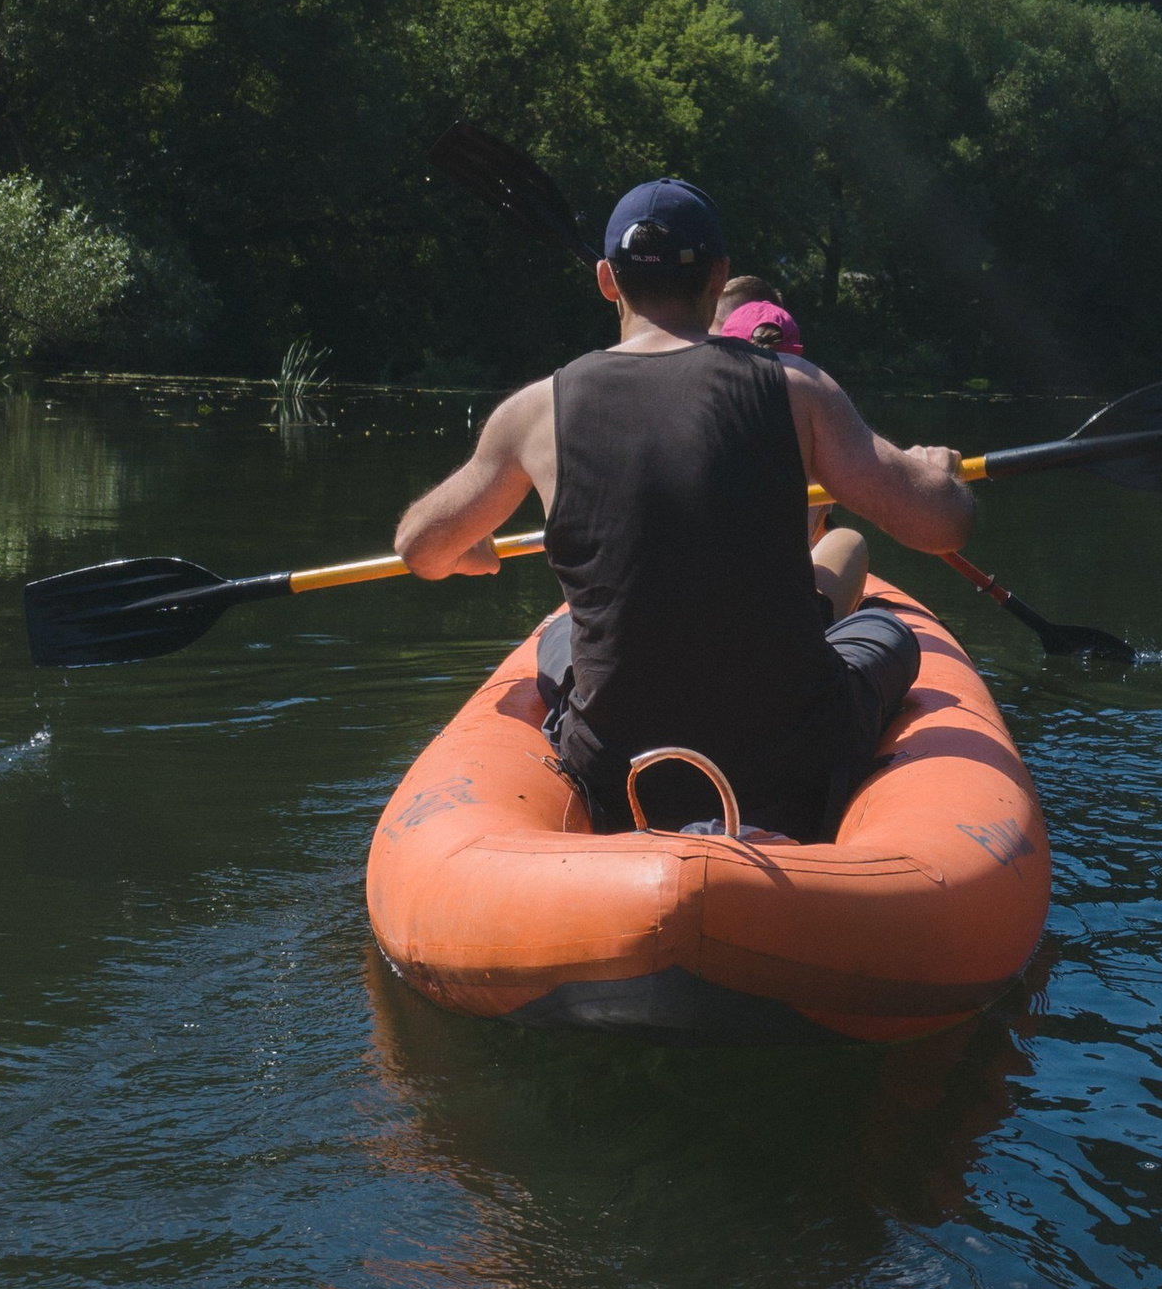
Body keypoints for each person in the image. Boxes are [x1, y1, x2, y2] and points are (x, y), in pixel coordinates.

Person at [394, 178, 972, 836]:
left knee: (558, 636)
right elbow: (941, 525)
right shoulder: (798, 390)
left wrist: (467, 551)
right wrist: (937, 474)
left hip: (620, 769)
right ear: (719, 277)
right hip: (788, 760)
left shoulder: (533, 412)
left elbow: (420, 548)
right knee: (889, 633)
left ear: (607, 281)